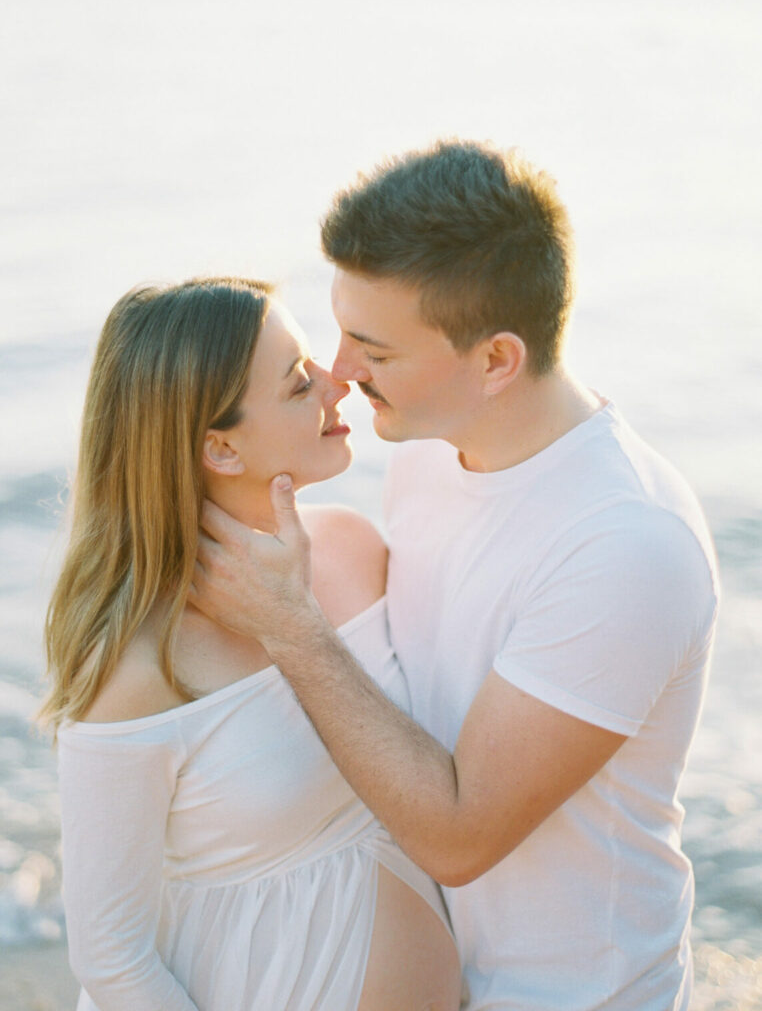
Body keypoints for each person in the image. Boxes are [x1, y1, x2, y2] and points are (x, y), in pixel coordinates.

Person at [191, 143, 720, 1010]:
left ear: (497, 361)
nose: (340, 374)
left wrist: (290, 626)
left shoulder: (627, 545)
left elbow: (460, 835)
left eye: (375, 350)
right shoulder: (434, 452)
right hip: (424, 981)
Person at [41, 277, 461, 1011]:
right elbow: (111, 959)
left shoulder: (354, 551)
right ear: (221, 449)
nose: (340, 382)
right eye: (301, 382)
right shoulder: (142, 668)